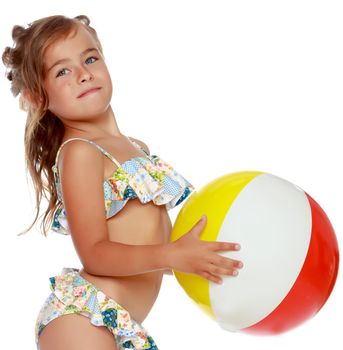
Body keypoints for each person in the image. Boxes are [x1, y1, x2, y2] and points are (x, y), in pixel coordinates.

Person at [2, 14, 243, 350]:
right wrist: (172, 255)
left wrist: (197, 257)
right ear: (39, 98)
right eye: (62, 71)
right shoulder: (80, 152)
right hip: (84, 320)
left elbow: (152, 245)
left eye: (89, 58)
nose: (84, 74)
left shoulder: (138, 150)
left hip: (120, 324)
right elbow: (96, 255)